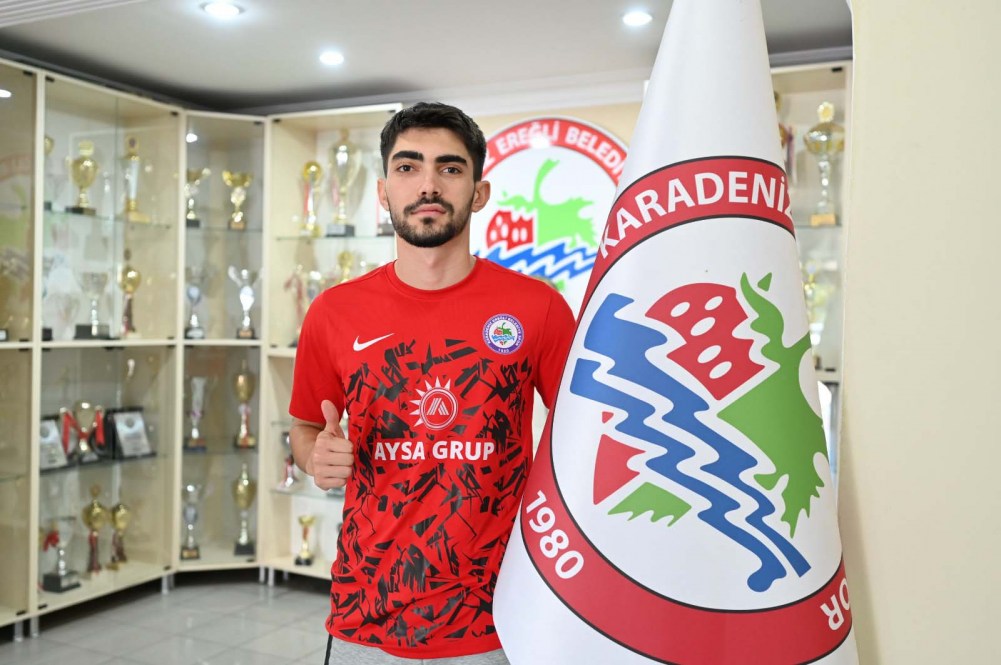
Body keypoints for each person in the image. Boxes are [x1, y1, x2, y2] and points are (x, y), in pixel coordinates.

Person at [289, 102, 576, 664]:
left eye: (449, 168)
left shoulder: (537, 308)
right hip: (366, 612)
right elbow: (304, 427)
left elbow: (584, 435)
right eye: (407, 167)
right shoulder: (333, 312)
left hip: (497, 615)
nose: (428, 185)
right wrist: (313, 455)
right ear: (383, 192)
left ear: (479, 192)